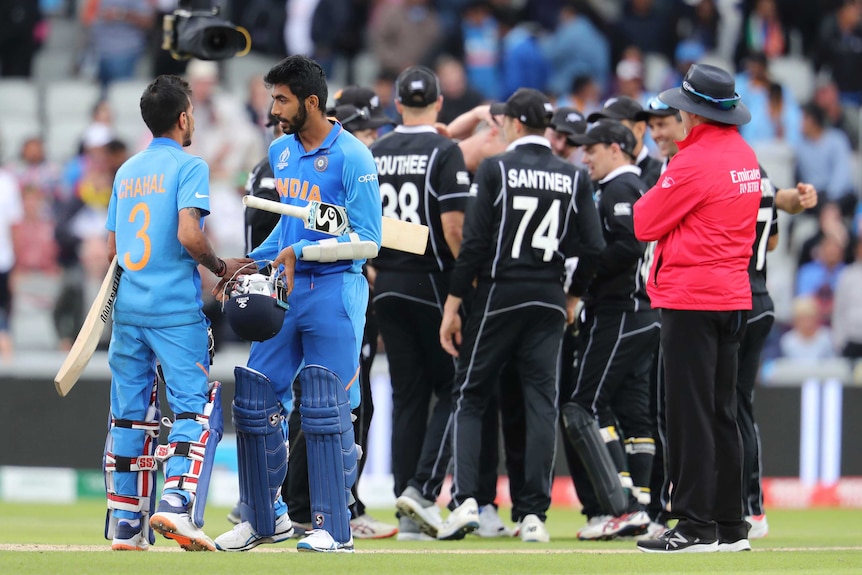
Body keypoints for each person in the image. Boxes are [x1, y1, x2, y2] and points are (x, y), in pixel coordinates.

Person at [213, 55, 382, 554]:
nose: (273, 108)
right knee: (255, 398)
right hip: (288, 291)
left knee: (327, 407)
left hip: (335, 290)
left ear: (311, 101)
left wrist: (301, 252)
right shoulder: (282, 153)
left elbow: (369, 241)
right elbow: (287, 232)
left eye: (281, 98)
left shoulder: (354, 157)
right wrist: (245, 262)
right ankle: (263, 519)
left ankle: (334, 528)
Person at [436, 88, 605, 543]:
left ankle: (468, 499)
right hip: (549, 296)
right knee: (540, 405)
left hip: (500, 292)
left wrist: (454, 304)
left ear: (511, 124)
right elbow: (593, 248)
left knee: (471, 393)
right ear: (545, 127)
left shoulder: (494, 168)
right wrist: (574, 295)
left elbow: (472, 246)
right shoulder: (573, 176)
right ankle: (533, 515)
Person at [104, 74, 253, 552]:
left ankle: (127, 525)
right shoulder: (190, 166)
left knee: (129, 415)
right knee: (194, 408)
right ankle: (177, 504)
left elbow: (114, 247)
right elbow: (190, 234)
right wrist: (218, 266)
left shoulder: (126, 171)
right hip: (174, 310)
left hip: (128, 311)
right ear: (185, 116)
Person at [633, 64, 761, 553]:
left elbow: (644, 222)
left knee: (688, 417)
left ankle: (693, 526)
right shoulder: (745, 155)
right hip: (733, 295)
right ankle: (731, 526)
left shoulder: (692, 162)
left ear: (693, 112)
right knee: (722, 413)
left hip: (691, 298)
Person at [367, 66, 471, 540]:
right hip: (432, 280)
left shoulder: (376, 151)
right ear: (439, 103)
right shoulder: (444, 150)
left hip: (386, 280)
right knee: (455, 387)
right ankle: (422, 490)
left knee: (408, 395)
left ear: (396, 106)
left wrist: (378, 268)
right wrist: (463, 284)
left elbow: (358, 222)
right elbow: (453, 228)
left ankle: (407, 504)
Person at [562, 120, 660, 541]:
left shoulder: (619, 190)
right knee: (634, 415)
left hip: (620, 312)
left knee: (583, 406)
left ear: (616, 149)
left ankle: (621, 508)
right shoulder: (640, 186)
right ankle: (642, 505)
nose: (585, 157)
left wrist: (581, 281)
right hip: (646, 314)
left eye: (593, 149)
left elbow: (626, 244)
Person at [587, 96, 662, 188]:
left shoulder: (661, 175)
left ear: (639, 129)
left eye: (614, 126)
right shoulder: (596, 174)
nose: (606, 132)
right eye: (603, 125)